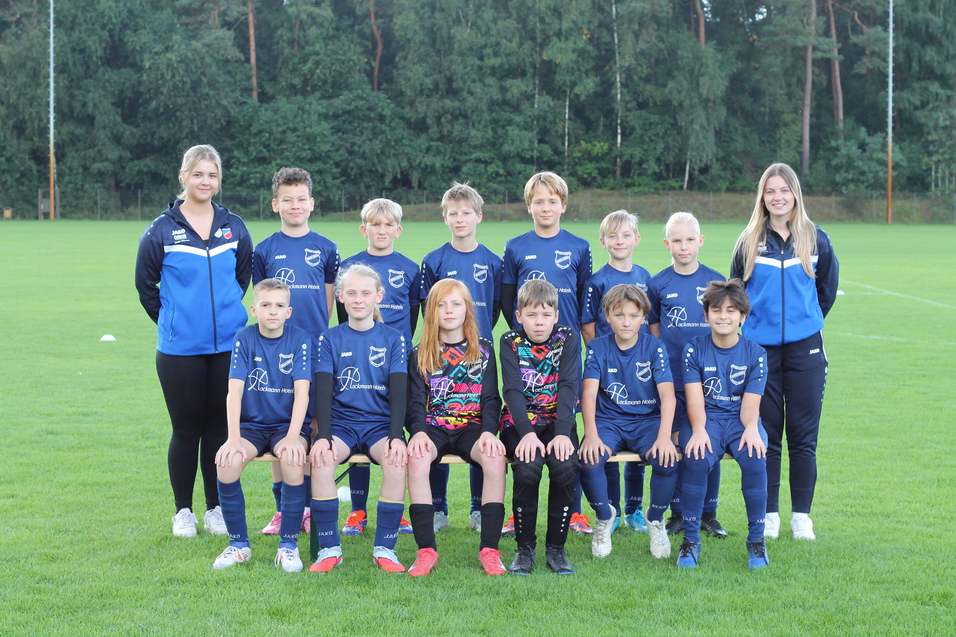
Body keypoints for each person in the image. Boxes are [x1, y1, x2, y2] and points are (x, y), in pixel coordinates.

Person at [135, 144, 252, 537]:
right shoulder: (161, 229)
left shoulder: (234, 226)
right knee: (186, 429)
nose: (206, 181)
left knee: (219, 429)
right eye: (198, 174)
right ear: (183, 176)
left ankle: (215, 508)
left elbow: (241, 277)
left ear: (219, 180)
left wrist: (223, 317)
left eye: (212, 175)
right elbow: (145, 285)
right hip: (180, 350)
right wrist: (175, 321)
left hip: (229, 348)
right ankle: (183, 511)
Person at [731, 163, 839, 541]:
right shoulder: (748, 241)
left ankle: (802, 517)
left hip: (806, 351)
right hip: (760, 353)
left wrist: (802, 324)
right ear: (762, 196)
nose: (778, 197)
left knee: (803, 437)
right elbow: (735, 295)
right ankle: (771, 514)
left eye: (784, 190)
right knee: (767, 434)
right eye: (770, 191)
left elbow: (825, 292)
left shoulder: (816, 239)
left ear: (795, 193)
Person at [501, 171, 593, 536]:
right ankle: (516, 513)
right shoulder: (515, 246)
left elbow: (586, 298)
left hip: (565, 354)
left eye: (552, 201)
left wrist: (561, 338)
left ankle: (577, 510)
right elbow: (510, 305)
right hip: (529, 354)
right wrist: (531, 339)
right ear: (529, 206)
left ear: (563, 206)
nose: (545, 207)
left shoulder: (579, 246)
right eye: (538, 201)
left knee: (567, 428)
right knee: (520, 429)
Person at [253, 167, 338, 537]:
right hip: (276, 353)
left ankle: (303, 508)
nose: (295, 205)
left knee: (310, 425)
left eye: (301, 198)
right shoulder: (265, 249)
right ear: (275, 204)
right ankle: (281, 510)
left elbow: (329, 301)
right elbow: (263, 300)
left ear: (312, 203)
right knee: (278, 424)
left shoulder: (327, 247)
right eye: (287, 199)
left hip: (316, 350)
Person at [308, 264, 409, 573]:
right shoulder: (329, 338)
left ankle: (384, 549)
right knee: (322, 460)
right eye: (351, 293)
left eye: (366, 293)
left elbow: (399, 392)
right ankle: (329, 548)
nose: (358, 299)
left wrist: (395, 436)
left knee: (395, 462)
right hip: (341, 426)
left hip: (380, 426)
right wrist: (323, 435)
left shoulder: (394, 339)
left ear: (378, 296)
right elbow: (323, 393)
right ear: (340, 297)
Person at [405, 279, 507, 576]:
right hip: (433, 426)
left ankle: (490, 549)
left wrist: (489, 432)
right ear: (431, 311)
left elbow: (490, 398)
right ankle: (426, 550)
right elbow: (414, 403)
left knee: (494, 458)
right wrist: (419, 432)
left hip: (472, 426)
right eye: (441, 304)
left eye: (456, 304)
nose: (449, 310)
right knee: (418, 459)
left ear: (467, 310)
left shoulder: (483, 350)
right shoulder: (420, 353)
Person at [420, 183, 503, 535]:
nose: (459, 218)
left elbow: (497, 306)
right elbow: (428, 309)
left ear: (478, 217)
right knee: (438, 416)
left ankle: (477, 507)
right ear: (444, 217)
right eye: (453, 213)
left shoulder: (493, 261)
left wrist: (474, 339)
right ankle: (437, 507)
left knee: (477, 420)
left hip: (475, 352)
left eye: (466, 212)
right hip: (440, 354)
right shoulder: (434, 260)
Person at [212, 279, 311, 571]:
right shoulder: (244, 337)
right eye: (266, 305)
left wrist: (294, 437)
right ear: (254, 309)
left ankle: (288, 546)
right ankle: (239, 545)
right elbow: (234, 392)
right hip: (251, 428)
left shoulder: (300, 339)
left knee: (293, 461)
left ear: (289, 311)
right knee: (227, 464)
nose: (273, 311)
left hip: (286, 427)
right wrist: (232, 439)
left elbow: (303, 392)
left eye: (280, 306)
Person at [579, 284, 679, 560]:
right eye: (619, 315)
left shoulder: (654, 347)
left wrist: (664, 436)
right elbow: (588, 392)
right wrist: (591, 433)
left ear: (644, 317)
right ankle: (604, 516)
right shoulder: (597, 347)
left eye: (633, 315)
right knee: (589, 460)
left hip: (647, 421)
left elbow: (668, 395)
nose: (626, 322)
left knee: (667, 459)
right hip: (608, 421)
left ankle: (655, 519)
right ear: (607, 316)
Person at [338, 199, 419, 536]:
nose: (382, 231)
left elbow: (413, 316)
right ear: (364, 229)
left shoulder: (411, 268)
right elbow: (345, 318)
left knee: (390, 430)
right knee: (358, 425)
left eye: (388, 225)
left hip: (395, 362)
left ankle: (395, 510)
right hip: (356, 362)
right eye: (375, 225)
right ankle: (358, 511)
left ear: (398, 230)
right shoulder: (350, 265)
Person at [677, 279, 770, 570]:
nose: (723, 316)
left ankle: (756, 541)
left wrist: (753, 429)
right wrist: (700, 431)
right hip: (705, 420)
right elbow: (695, 401)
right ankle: (690, 541)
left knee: (755, 458)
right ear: (706, 315)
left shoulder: (756, 353)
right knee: (695, 456)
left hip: (740, 421)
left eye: (731, 310)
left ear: (742, 316)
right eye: (716, 309)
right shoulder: (693, 349)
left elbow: (750, 404)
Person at [647, 212, 728, 538]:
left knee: (708, 443)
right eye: (677, 240)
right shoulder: (658, 283)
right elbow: (654, 335)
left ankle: (709, 513)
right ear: (667, 243)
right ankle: (679, 512)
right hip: (672, 382)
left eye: (690, 240)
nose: (684, 246)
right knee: (678, 445)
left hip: (707, 382)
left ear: (701, 241)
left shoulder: (716, 281)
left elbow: (725, 331)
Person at [499, 280, 580, 575]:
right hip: (520, 422)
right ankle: (524, 550)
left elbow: (569, 385)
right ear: (519, 316)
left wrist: (562, 433)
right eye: (531, 315)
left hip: (558, 420)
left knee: (565, 466)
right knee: (528, 468)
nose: (539, 322)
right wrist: (527, 434)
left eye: (546, 315)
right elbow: (512, 390)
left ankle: (556, 549)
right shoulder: (509, 340)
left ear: (556, 316)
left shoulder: (568, 338)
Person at [581, 210, 652, 535]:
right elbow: (588, 325)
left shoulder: (645, 277)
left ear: (636, 239)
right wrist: (610, 358)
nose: (619, 241)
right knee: (607, 446)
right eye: (613, 236)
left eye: (626, 235)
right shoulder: (597, 280)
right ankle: (608, 512)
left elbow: (652, 325)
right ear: (603, 241)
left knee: (638, 445)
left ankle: (635, 510)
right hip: (608, 370)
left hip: (641, 374)